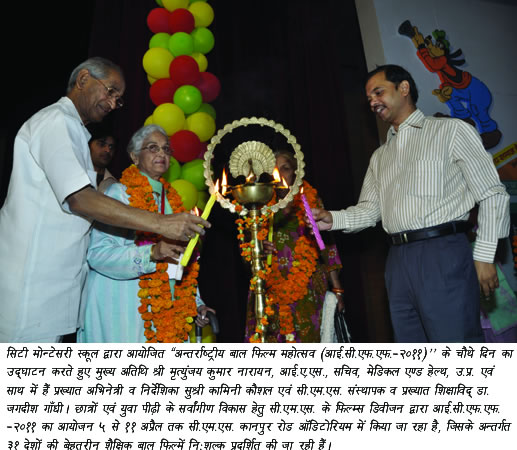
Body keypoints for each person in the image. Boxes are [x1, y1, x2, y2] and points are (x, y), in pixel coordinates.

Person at [0, 57, 209, 343]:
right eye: (110, 91)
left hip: (57, 289)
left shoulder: (75, 131)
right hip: (32, 284)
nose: (112, 103)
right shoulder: (57, 121)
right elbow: (79, 198)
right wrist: (161, 224)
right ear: (83, 79)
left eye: (118, 99)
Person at [313, 64, 510, 343]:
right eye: (369, 98)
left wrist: (485, 255)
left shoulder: (451, 131)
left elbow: (492, 193)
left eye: (378, 92)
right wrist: (332, 219)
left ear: (404, 88)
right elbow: (369, 210)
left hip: (443, 252)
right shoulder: (380, 157)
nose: (372, 102)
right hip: (397, 260)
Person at [78, 125, 215, 343]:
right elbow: (98, 255)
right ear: (134, 156)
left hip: (168, 315)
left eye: (166, 149)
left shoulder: (174, 202)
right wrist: (152, 253)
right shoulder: (119, 195)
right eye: (153, 147)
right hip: (123, 311)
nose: (161, 153)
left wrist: (196, 304)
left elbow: (182, 260)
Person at [244, 150, 344, 343]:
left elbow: (327, 246)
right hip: (269, 290)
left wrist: (338, 289)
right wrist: (258, 249)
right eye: (274, 170)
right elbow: (246, 255)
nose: (280, 174)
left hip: (308, 288)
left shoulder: (310, 200)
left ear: (296, 173)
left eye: (286, 168)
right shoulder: (258, 206)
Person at [88, 123, 117, 193]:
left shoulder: (115, 185)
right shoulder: (76, 175)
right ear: (88, 145)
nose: (108, 150)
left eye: (111, 147)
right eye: (102, 144)